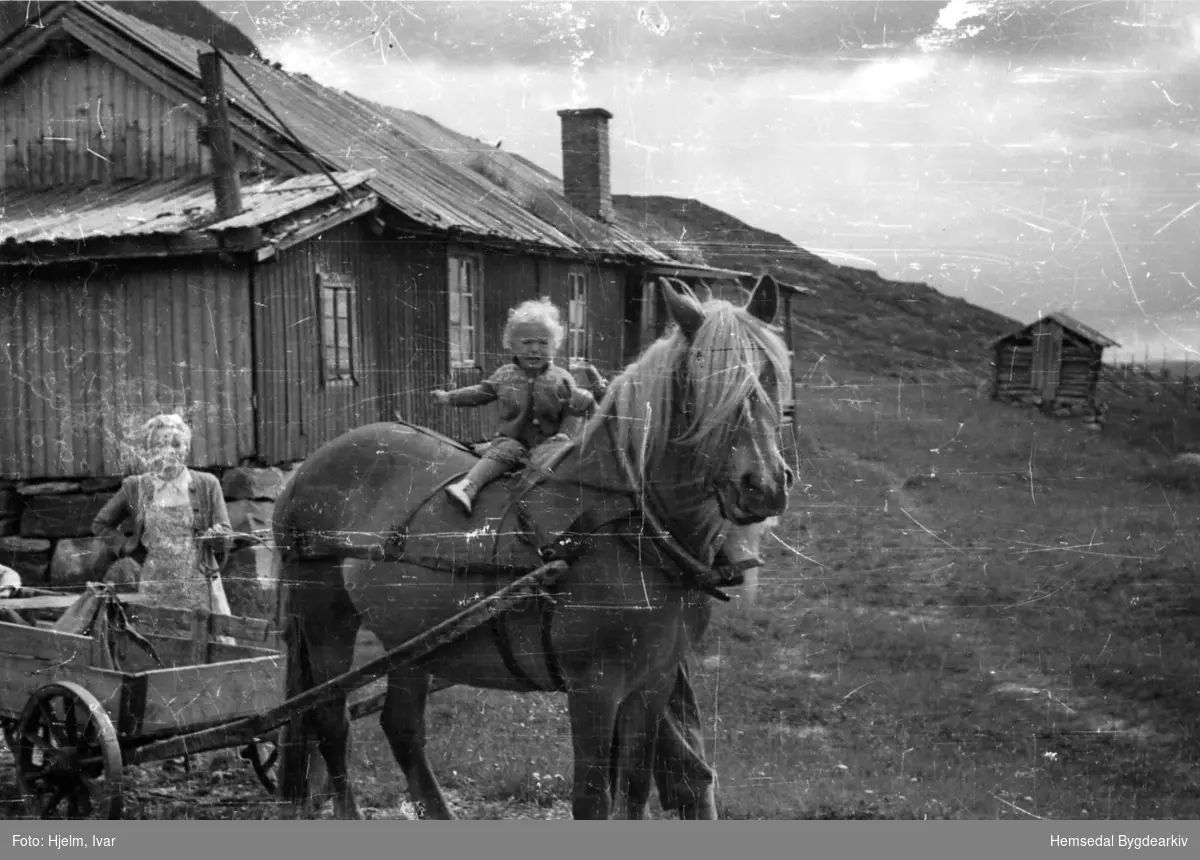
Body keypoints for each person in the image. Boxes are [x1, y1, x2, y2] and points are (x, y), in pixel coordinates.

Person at [432, 298, 596, 515]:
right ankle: (468, 486)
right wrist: (449, 397)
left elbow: (573, 411)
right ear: (512, 344)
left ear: (554, 346)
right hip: (511, 442)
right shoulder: (505, 376)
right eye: (527, 343)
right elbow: (480, 393)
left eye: (543, 343)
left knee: (564, 467)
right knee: (504, 450)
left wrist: (566, 434)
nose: (535, 349)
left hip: (550, 446)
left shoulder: (562, 379)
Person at [91, 413, 236, 645]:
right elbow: (100, 524)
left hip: (199, 583)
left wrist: (218, 535)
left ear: (187, 448)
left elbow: (226, 532)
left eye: (177, 444)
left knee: (206, 645)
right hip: (156, 582)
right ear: (150, 450)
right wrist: (126, 545)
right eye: (162, 444)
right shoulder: (135, 487)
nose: (170, 450)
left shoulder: (207, 484)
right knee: (158, 644)